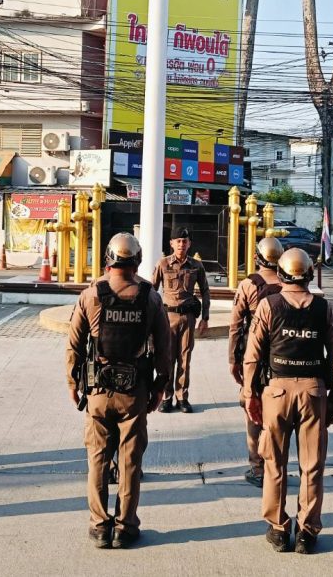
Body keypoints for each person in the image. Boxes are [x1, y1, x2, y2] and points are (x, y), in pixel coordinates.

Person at [67, 233, 171, 549]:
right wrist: (160, 386)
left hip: (98, 389)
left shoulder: (90, 295)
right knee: (129, 462)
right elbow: (165, 349)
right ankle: (125, 527)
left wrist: (74, 384)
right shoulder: (150, 297)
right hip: (134, 391)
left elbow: (74, 345)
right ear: (137, 261)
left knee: (98, 459)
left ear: (108, 259)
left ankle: (100, 526)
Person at [244, 248, 333, 555]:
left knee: (274, 463)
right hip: (314, 392)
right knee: (312, 465)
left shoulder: (268, 305)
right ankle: (307, 531)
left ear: (282, 273)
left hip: (276, 391)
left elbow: (252, 356)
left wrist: (250, 394)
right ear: (310, 274)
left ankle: (277, 528)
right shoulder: (324, 308)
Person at [228, 236, 283, 487]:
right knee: (278, 414)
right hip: (282, 358)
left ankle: (257, 467)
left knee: (252, 410)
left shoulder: (249, 284)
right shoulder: (289, 282)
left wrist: (234, 359)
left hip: (254, 356)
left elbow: (236, 326)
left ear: (257, 257)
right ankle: (275, 465)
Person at [152, 226, 210, 413]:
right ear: (171, 243)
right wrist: (151, 318)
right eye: (178, 241)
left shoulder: (196, 266)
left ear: (189, 244)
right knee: (167, 358)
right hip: (167, 318)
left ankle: (182, 398)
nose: (181, 244)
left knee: (185, 358)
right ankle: (166, 397)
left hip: (187, 318)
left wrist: (205, 318)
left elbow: (205, 291)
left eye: (185, 241)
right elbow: (152, 291)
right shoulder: (162, 264)